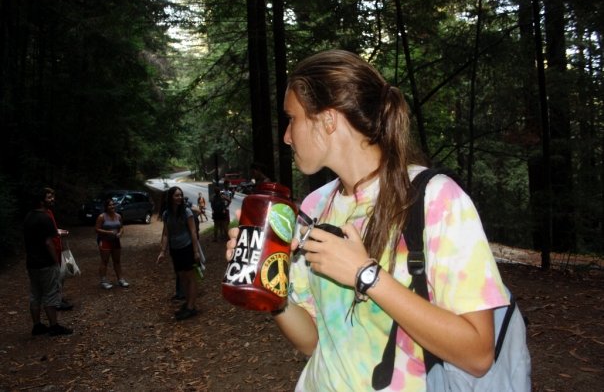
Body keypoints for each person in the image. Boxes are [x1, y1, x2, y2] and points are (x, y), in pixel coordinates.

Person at [225, 50, 509, 390]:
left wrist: (367, 276)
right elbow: (312, 342)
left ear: (327, 120)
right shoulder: (315, 206)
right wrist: (272, 287)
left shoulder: (436, 200)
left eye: (292, 119)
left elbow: (478, 355)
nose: (287, 136)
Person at [23, 187, 73, 336]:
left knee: (35, 294)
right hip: (45, 263)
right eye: (49, 197)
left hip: (32, 262)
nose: (52, 199)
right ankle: (54, 326)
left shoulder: (28, 217)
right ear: (41, 201)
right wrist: (55, 261)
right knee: (51, 293)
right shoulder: (45, 218)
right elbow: (48, 242)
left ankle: (37, 325)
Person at [156, 186, 203, 320]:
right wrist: (162, 252)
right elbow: (166, 233)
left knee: (190, 277)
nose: (180, 198)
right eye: (176, 195)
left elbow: (193, 232)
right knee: (182, 277)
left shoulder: (186, 212)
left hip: (187, 247)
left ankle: (190, 307)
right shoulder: (167, 214)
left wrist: (196, 252)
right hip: (175, 249)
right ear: (170, 197)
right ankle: (189, 303)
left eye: (180, 195)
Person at [95, 199, 129, 289]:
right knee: (105, 261)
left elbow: (121, 227)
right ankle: (103, 280)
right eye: (110, 205)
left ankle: (120, 279)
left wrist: (120, 233)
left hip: (116, 241)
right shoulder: (102, 217)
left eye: (113, 205)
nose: (112, 206)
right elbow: (97, 229)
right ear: (106, 207)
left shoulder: (118, 216)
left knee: (117, 261)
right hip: (105, 241)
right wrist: (108, 232)